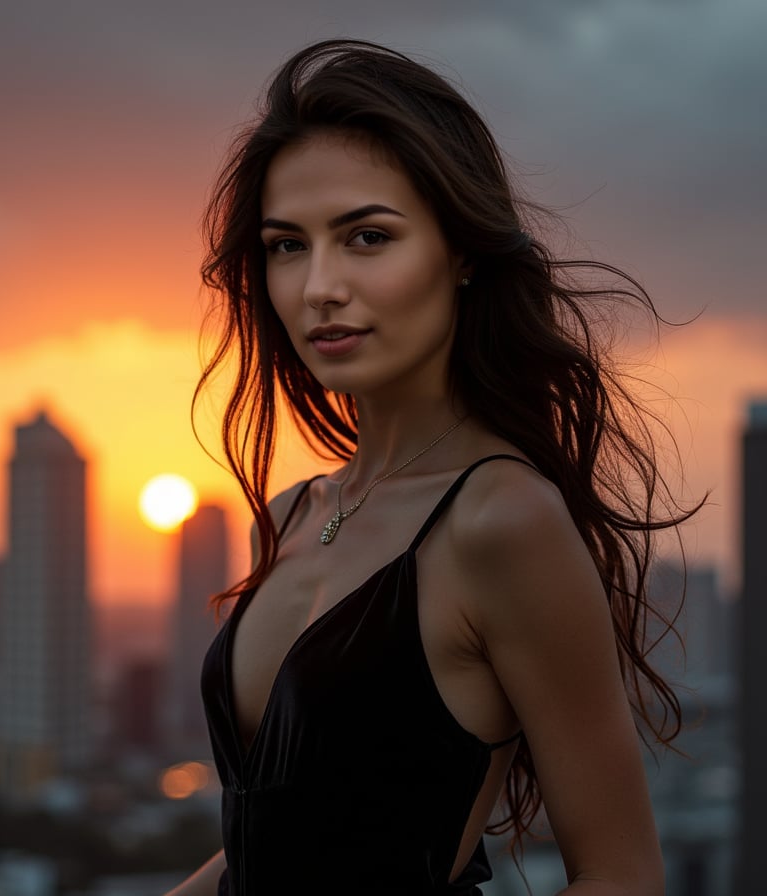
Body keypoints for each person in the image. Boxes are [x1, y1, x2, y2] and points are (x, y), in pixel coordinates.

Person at [169, 38, 700, 896]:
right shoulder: (296, 509)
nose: (319, 287)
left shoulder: (502, 519)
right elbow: (282, 840)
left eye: (367, 237)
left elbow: (622, 874)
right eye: (286, 246)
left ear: (459, 253)